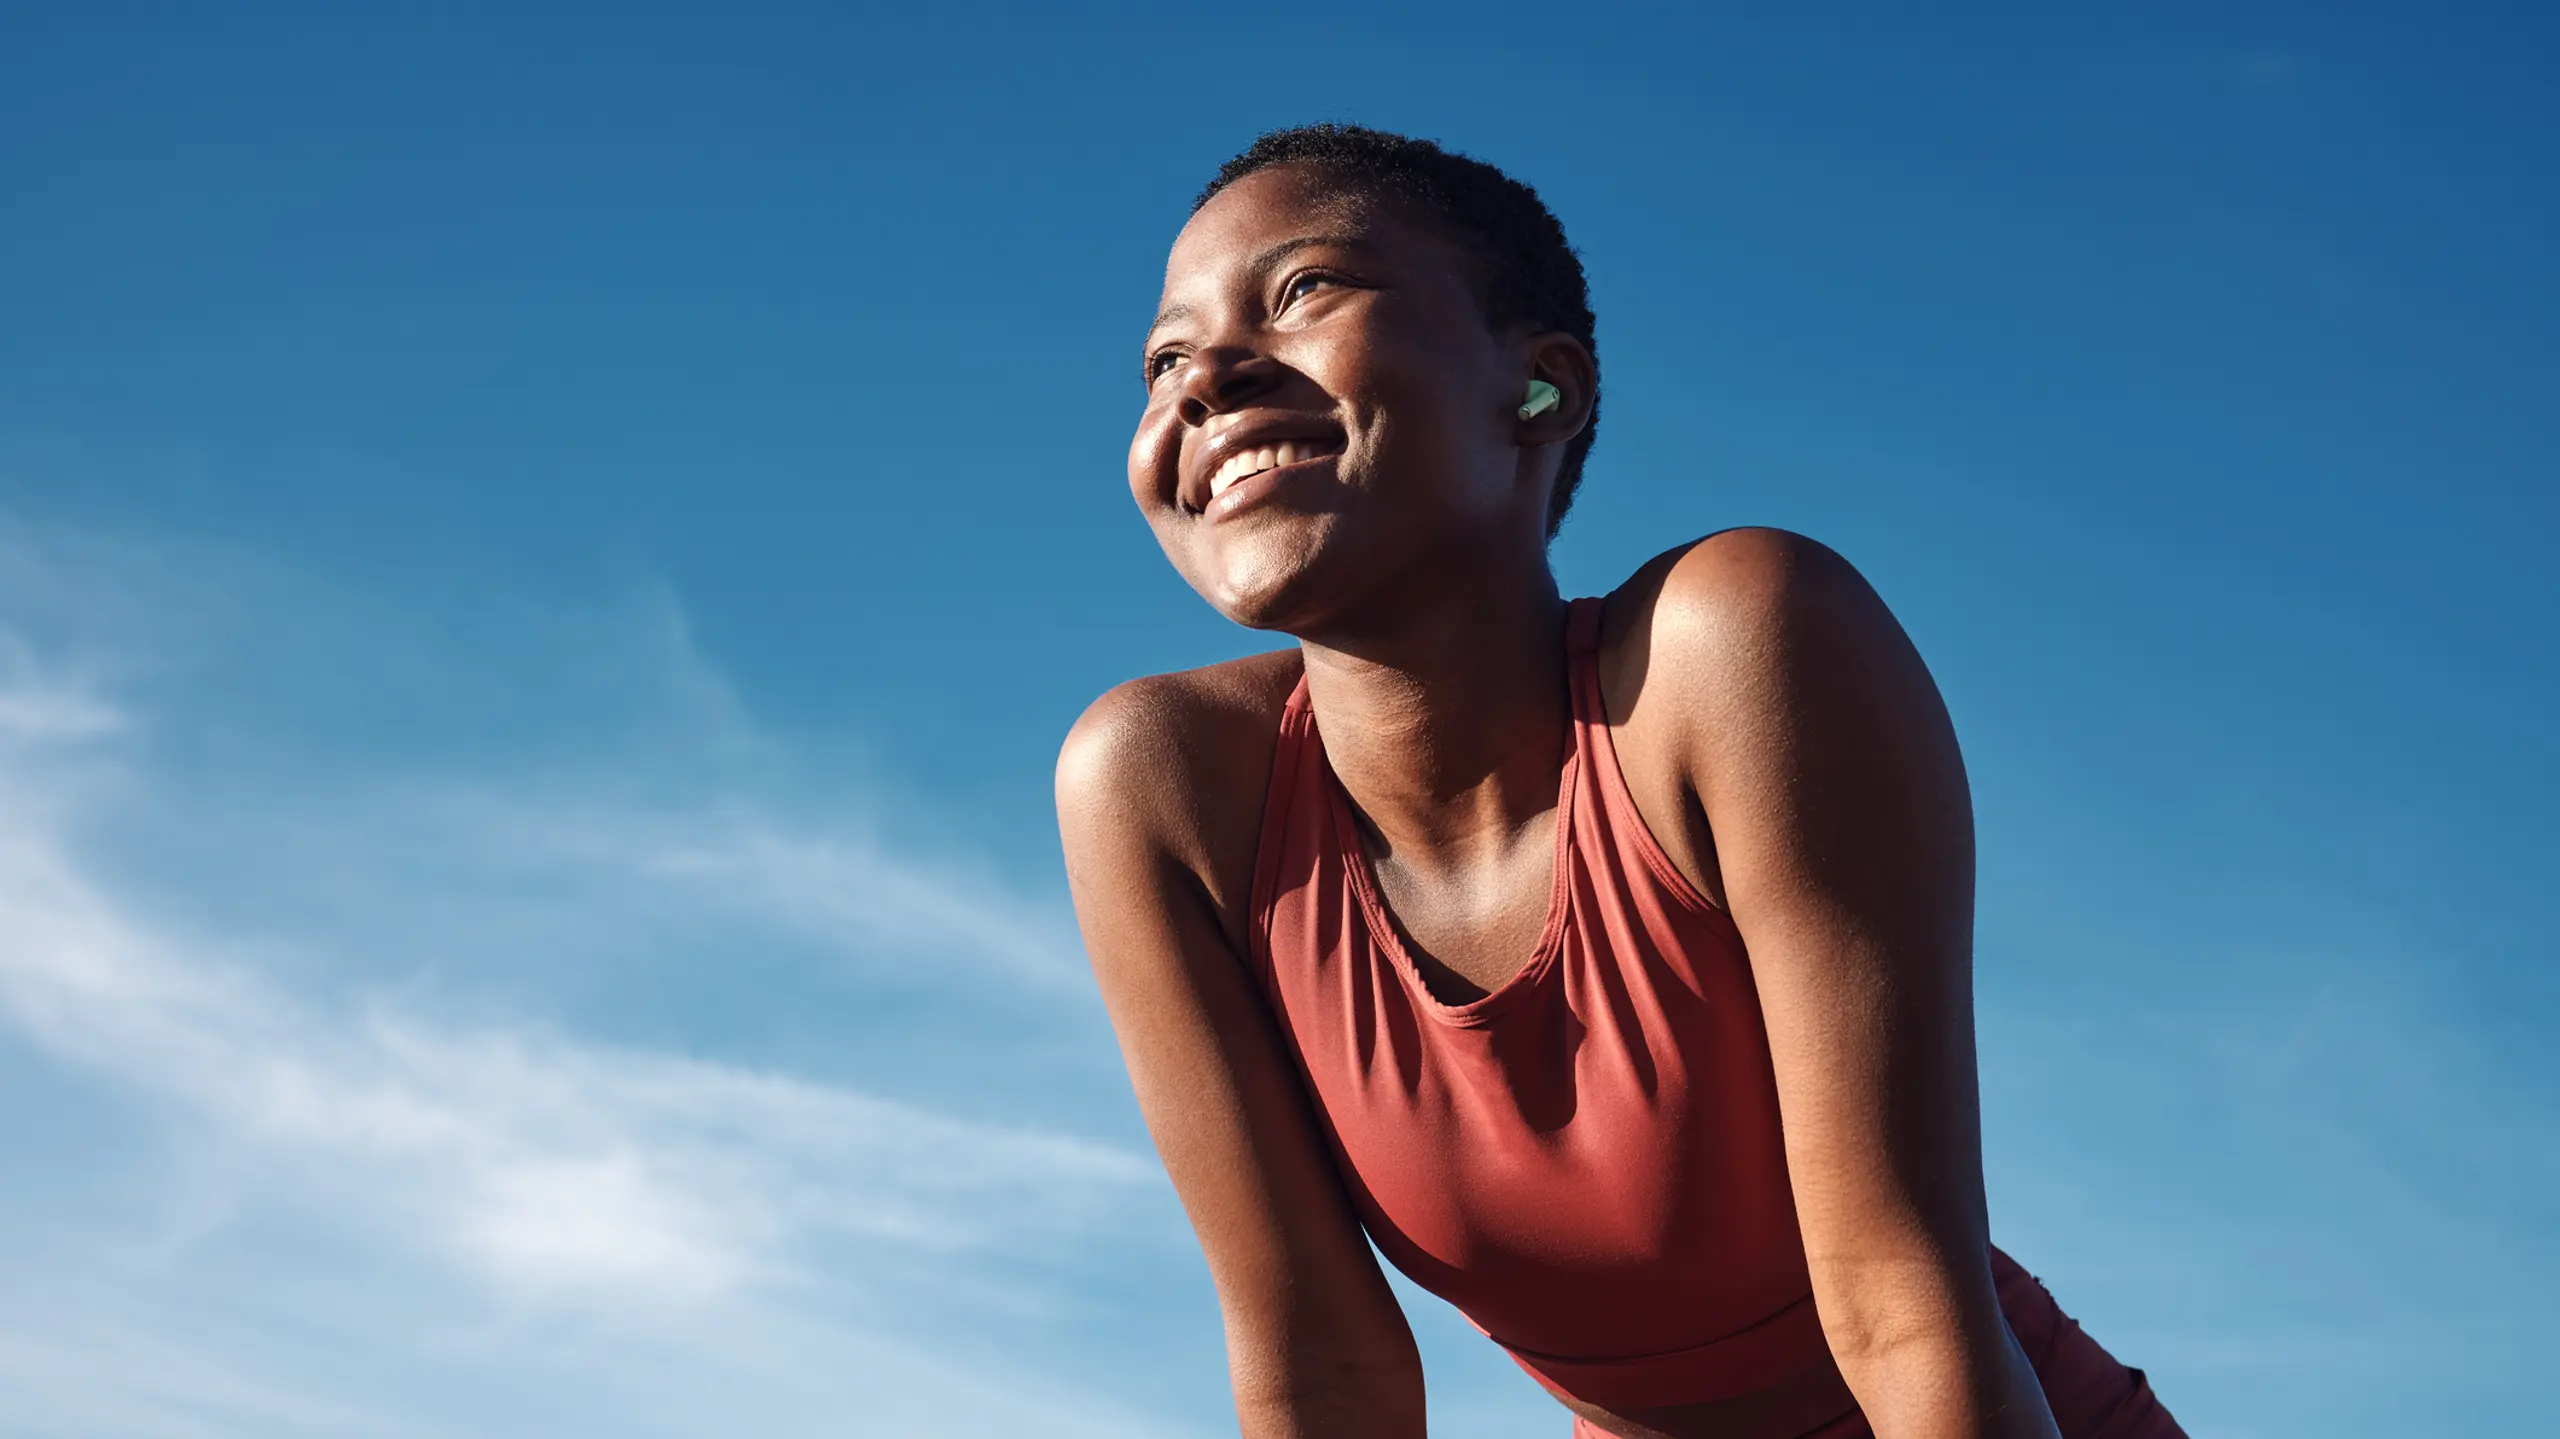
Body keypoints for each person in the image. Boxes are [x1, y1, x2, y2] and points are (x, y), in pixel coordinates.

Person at [1054, 124, 2185, 1439]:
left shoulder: (1734, 651)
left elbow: (1903, 1312)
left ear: (1541, 389)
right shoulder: (1165, 791)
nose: (1207, 380)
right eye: (1164, 359)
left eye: (1303, 290)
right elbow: (1321, 1373)